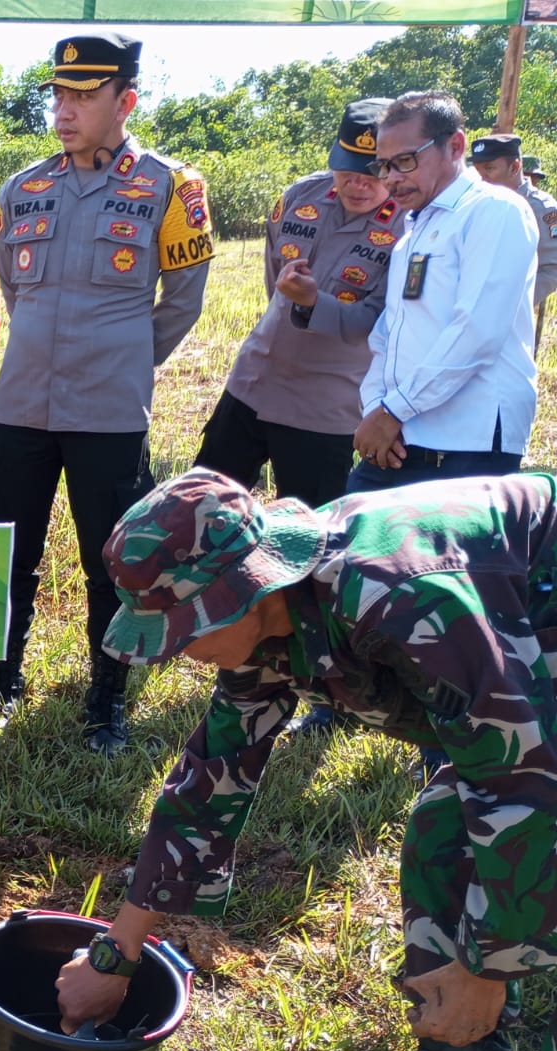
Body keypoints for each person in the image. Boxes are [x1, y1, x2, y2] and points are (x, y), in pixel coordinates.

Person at [56, 467, 557, 1051]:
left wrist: (490, 970)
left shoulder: (398, 599)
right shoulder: (275, 615)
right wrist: (118, 950)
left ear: (244, 588)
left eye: (187, 628)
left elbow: (522, 786)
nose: (177, 651)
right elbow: (210, 780)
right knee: (443, 828)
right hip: (523, 675)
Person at [0, 32, 213, 743]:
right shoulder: (22, 187)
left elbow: (185, 296)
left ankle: (106, 698)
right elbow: (15, 285)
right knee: (9, 546)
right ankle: (2, 676)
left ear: (125, 100)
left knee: (112, 560)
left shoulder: (171, 186)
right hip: (22, 402)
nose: (66, 109)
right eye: (59, 94)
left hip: (109, 409)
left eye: (84, 95)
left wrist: (129, 358)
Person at [192, 98, 394, 735]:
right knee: (206, 510)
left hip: (327, 407)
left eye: (373, 171)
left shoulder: (410, 226)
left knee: (316, 551)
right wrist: (294, 304)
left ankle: (331, 691)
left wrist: (315, 304)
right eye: (348, 168)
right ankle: (203, 628)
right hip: (253, 384)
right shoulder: (298, 199)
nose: (358, 183)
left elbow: (382, 322)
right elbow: (271, 280)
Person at [348, 93, 537, 495]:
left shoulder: (494, 210)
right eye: (384, 165)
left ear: (455, 145)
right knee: (354, 549)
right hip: (400, 438)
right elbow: (389, 334)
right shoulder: (415, 228)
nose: (392, 178)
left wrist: (394, 410)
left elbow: (477, 332)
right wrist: (375, 407)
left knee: (449, 560)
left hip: (466, 442)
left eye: (405, 161)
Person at [467, 133, 557, 312]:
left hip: (508, 314)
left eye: (489, 168)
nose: (481, 178)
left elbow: (552, 268)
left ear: (515, 167)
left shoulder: (541, 209)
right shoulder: (471, 202)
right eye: (477, 171)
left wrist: (510, 304)